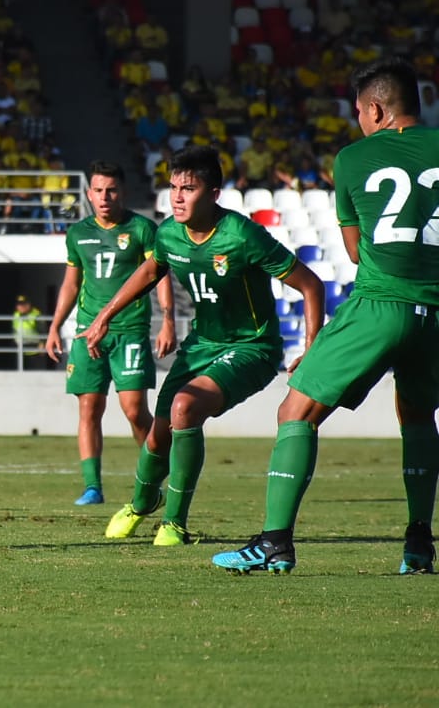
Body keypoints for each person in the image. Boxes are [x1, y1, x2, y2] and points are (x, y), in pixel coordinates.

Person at [212, 58, 439, 575]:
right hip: (436, 313)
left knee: (296, 413)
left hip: (381, 303)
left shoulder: (355, 159)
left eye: (360, 111)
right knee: (419, 418)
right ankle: (418, 545)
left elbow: (356, 252)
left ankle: (274, 543)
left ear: (376, 110)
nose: (358, 120)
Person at [83, 146, 325, 546]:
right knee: (158, 435)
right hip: (201, 345)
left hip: (252, 347)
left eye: (189, 188)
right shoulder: (169, 233)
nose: (178, 196)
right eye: (174, 186)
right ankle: (142, 504)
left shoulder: (242, 235)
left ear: (213, 193)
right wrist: (104, 315)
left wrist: (312, 347)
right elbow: (149, 270)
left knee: (184, 407)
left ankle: (174, 523)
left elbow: (310, 284)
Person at [46, 161, 176, 506]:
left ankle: (157, 476)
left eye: (111, 190)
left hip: (130, 330)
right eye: (98, 190)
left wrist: (168, 319)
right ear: (89, 194)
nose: (104, 197)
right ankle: (92, 487)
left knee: (134, 410)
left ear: (123, 192)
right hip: (88, 333)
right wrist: (55, 326)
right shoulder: (78, 234)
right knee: (89, 409)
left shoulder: (142, 229)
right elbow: (71, 283)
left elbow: (157, 274)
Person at [11, 295, 48, 370]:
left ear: (29, 304)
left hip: (34, 351)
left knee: (35, 374)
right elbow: (14, 330)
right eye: (19, 304)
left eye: (23, 304)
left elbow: (43, 331)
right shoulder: (16, 315)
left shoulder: (36, 315)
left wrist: (42, 344)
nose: (21, 306)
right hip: (20, 350)